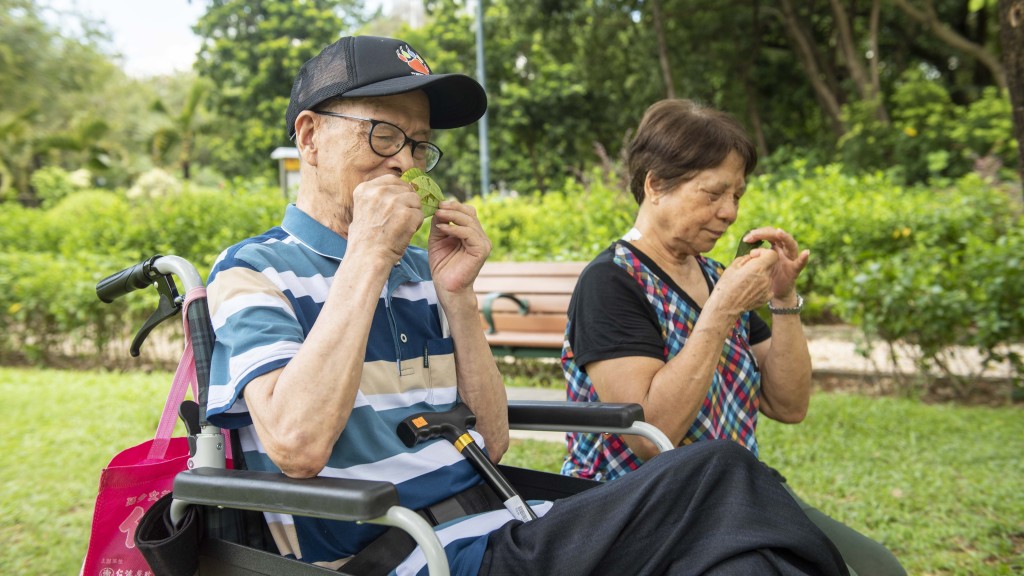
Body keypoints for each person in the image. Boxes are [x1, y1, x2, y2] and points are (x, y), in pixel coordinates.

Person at [205, 35, 849, 575]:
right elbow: (297, 445)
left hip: (499, 525)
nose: (404, 162)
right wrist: (367, 258)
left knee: (746, 564)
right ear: (311, 137)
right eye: (382, 135)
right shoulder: (253, 271)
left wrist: (456, 296)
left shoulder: (419, 271)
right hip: (405, 554)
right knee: (718, 470)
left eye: (419, 143)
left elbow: (492, 439)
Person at [561, 98, 906, 576]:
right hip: (640, 510)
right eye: (713, 193)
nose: (729, 212)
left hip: (733, 499)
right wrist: (722, 309)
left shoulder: (716, 275)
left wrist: (783, 299)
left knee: (877, 568)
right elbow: (651, 434)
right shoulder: (612, 281)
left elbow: (789, 405)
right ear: (655, 185)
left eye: (737, 196)